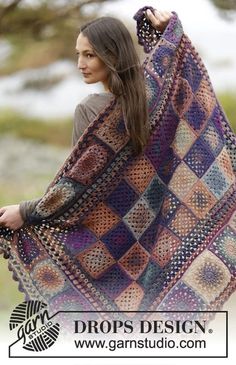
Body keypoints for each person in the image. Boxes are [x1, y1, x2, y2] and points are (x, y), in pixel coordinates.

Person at [0, 6, 235, 319]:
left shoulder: (93, 111)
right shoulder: (158, 105)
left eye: (90, 55)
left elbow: (78, 193)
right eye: (78, 54)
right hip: (162, 248)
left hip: (110, 251)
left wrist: (26, 213)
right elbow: (192, 97)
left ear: (112, 56)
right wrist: (171, 35)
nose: (80, 64)